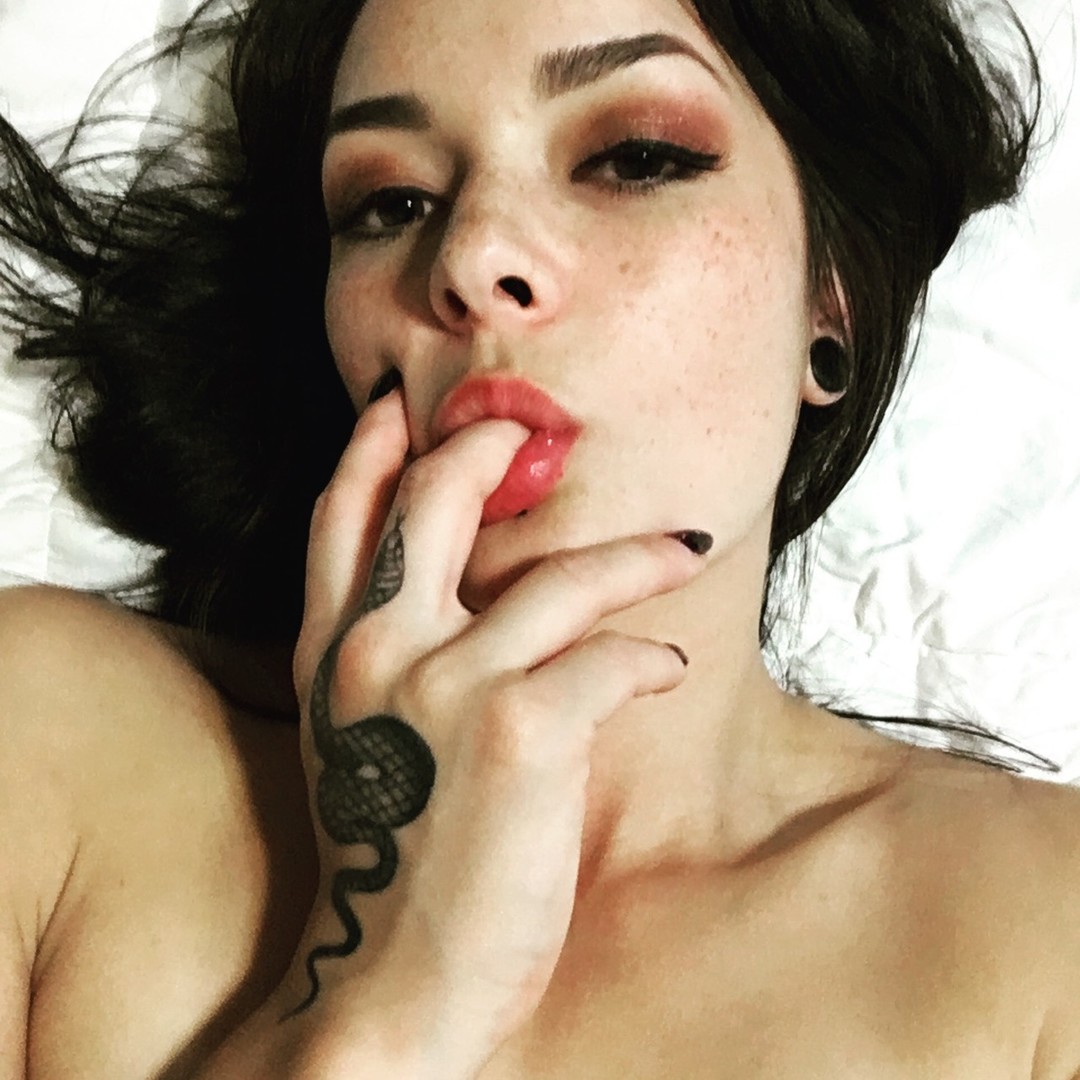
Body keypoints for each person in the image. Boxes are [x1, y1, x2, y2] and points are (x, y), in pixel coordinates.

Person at [0, 0, 1077, 1076]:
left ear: (830, 303)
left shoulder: (1043, 928)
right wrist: (385, 995)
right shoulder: (46, 730)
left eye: (635, 157)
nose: (470, 258)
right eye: (392, 202)